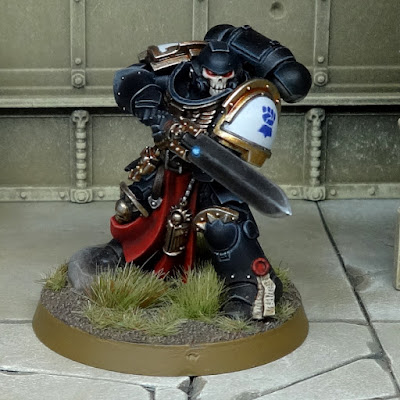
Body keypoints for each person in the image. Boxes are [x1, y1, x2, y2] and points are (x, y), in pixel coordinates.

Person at [68, 24, 311, 320]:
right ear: (198, 70)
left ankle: (250, 285)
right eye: (212, 75)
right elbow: (128, 79)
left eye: (226, 77)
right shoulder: (178, 71)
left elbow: (256, 130)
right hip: (171, 161)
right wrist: (157, 115)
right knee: (136, 205)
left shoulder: (247, 92)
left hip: (216, 172)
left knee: (224, 225)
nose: (219, 83)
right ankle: (122, 254)